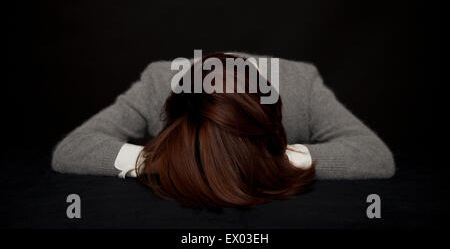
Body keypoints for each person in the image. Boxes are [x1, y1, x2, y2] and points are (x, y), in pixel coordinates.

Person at [51, 51, 395, 208]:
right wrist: (170, 159)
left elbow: (375, 156)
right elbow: (73, 148)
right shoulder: (160, 81)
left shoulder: (301, 85)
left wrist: (270, 160)